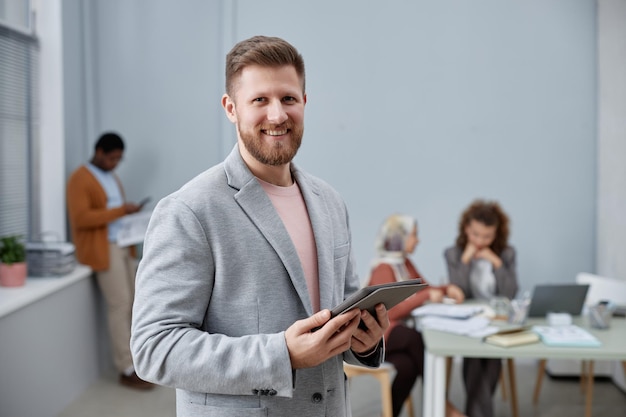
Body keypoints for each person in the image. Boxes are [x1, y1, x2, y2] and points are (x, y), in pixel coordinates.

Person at [130, 35, 389, 417]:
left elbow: (341, 311)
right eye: (259, 101)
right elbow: (154, 348)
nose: (277, 115)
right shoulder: (189, 210)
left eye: (288, 98)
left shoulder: (330, 202)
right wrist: (280, 354)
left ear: (304, 102)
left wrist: (363, 340)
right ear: (231, 108)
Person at [66, 132, 152, 390]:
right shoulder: (80, 179)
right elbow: (82, 218)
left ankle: (141, 361)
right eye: (112, 158)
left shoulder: (110, 177)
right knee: (120, 305)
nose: (115, 163)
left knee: (138, 302)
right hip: (104, 248)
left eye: (119, 160)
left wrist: (129, 211)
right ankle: (126, 368)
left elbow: (111, 212)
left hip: (122, 245)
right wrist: (120, 210)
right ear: (99, 152)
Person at [368, 214, 466, 417]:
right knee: (414, 338)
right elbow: (390, 311)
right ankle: (443, 404)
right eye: (414, 235)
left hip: (395, 336)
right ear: (399, 237)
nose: (418, 239)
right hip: (376, 336)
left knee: (408, 366)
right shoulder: (383, 268)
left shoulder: (404, 263)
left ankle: (389, 414)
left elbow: (424, 288)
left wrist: (448, 289)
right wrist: (426, 296)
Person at [444, 200, 518, 417]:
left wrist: (496, 262)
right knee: (475, 352)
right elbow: (459, 290)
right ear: (467, 228)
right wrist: (466, 260)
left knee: (493, 351)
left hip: (497, 319)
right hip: (468, 319)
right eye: (475, 234)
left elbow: (510, 293)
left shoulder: (507, 254)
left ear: (497, 234)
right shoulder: (453, 254)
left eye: (487, 236)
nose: (480, 241)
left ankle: (475, 412)